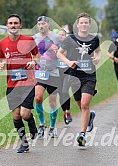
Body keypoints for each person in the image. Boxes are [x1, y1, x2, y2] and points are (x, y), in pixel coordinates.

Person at [0, 14, 40, 153]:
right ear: (7, 25)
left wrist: (34, 61)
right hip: (12, 83)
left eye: (16, 23)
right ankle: (24, 143)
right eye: (10, 23)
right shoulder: (2, 43)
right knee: (16, 115)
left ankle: (32, 126)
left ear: (20, 25)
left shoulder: (28, 40)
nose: (13, 25)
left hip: (28, 81)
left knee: (25, 114)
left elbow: (37, 55)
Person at [57, 12, 101, 146]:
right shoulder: (70, 38)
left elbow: (98, 51)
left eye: (86, 22)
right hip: (74, 76)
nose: (84, 25)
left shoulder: (94, 39)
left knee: (84, 105)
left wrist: (98, 57)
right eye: (81, 22)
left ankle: (82, 134)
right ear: (77, 24)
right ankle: (89, 117)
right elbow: (59, 53)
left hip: (89, 76)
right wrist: (68, 62)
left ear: (89, 24)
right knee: (81, 105)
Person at [33, 16, 61, 138]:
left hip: (53, 72)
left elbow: (63, 52)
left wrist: (58, 51)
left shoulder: (56, 37)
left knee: (52, 102)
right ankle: (42, 124)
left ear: (48, 24)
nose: (41, 26)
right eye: (39, 24)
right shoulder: (34, 38)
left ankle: (53, 127)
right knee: (38, 98)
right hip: (40, 72)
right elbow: (32, 54)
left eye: (43, 24)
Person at [57, 29, 73, 124]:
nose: (61, 36)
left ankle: (68, 111)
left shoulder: (69, 45)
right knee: (60, 92)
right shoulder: (54, 46)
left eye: (63, 35)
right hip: (58, 72)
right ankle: (65, 112)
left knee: (65, 91)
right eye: (60, 35)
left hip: (67, 71)